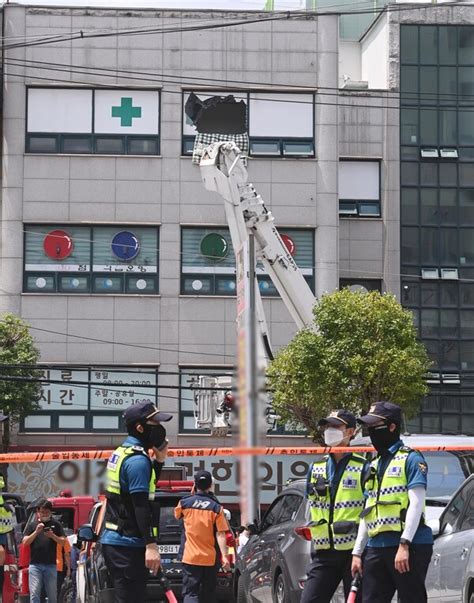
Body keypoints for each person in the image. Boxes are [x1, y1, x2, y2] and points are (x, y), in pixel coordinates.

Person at [352, 401, 433, 603]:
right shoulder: (372, 465)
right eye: (368, 427)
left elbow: (416, 504)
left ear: (392, 427)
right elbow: (367, 511)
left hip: (409, 546)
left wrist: (404, 544)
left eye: (374, 426)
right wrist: (357, 551)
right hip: (376, 545)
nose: (370, 431)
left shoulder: (411, 459)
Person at [101, 401, 172, 603]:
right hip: (128, 543)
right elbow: (140, 506)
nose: (160, 428)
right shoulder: (138, 461)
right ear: (140, 428)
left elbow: (142, 490)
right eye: (155, 423)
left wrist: (159, 462)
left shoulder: (123, 453)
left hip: (118, 541)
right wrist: (151, 545)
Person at [301, 409, 366, 603]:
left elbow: (369, 513)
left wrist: (360, 552)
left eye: (336, 426)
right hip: (323, 552)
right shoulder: (316, 467)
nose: (330, 430)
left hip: (353, 551)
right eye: (328, 426)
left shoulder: (363, 467)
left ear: (350, 432)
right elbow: (310, 505)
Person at [174, 470, 231, 603]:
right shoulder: (216, 507)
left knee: (191, 593)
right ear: (210, 485)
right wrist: (225, 556)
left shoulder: (184, 503)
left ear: (195, 484)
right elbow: (221, 533)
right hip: (210, 559)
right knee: (208, 593)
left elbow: (176, 515)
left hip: (190, 557)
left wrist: (192, 495)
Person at [22, 499, 66, 603]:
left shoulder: (56, 524)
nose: (44, 514)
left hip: (51, 565)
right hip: (35, 565)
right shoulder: (33, 525)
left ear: (51, 512)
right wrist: (36, 532)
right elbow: (25, 542)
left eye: (46, 512)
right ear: (38, 512)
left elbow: (63, 542)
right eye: (42, 512)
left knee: (52, 597)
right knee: (34, 595)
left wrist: (52, 536)